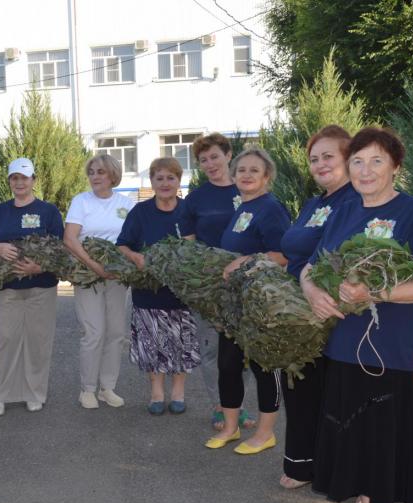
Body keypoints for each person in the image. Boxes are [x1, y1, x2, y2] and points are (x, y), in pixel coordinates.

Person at [301, 127, 413, 503]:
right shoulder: (345, 211)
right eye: (358, 161)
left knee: (383, 435)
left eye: (376, 161)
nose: (365, 170)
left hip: (390, 348)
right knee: (352, 429)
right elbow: (311, 267)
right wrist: (314, 292)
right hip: (344, 343)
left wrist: (375, 294)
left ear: (395, 167)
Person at [278, 126, 358, 490]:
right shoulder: (314, 204)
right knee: (299, 387)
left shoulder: (355, 201)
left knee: (333, 395)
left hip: (331, 311)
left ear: (348, 158)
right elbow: (294, 249)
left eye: (329, 156)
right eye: (314, 159)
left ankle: (337, 469)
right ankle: (301, 463)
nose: (320, 164)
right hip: (299, 311)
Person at [204, 148, 290, 455]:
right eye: (241, 170)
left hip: (260, 303)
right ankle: (230, 427)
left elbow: (283, 255)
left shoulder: (270, 209)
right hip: (235, 305)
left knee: (263, 367)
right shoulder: (243, 208)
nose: (247, 175)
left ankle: (265, 433)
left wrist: (243, 262)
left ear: (267, 175)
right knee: (228, 365)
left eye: (254, 170)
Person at [180, 132, 255, 430]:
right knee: (211, 348)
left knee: (245, 347)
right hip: (210, 286)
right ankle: (219, 406)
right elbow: (188, 245)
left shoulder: (249, 190)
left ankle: (238, 405)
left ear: (228, 155)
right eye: (203, 160)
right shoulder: (195, 199)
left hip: (247, 282)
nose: (210, 163)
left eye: (214, 156)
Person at [0, 157, 64, 416]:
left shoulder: (48, 212)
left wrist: (38, 267)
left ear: (33, 180)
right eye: (14, 178)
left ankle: (33, 393)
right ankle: (1, 395)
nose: (19, 183)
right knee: (7, 339)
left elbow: (59, 249)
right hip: (8, 288)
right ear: (9, 181)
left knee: (38, 341)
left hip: (42, 286)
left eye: (24, 178)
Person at [116, 157, 200, 415]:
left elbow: (198, 249)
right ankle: (156, 393)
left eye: (170, 178)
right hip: (148, 293)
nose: (165, 183)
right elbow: (122, 245)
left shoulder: (188, 211)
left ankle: (178, 392)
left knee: (180, 345)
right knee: (151, 345)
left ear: (179, 180)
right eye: (159, 178)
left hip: (180, 293)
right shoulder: (140, 212)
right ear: (152, 181)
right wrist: (135, 257)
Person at [63, 154, 136, 410]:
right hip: (87, 275)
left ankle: (108, 388)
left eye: (100, 172)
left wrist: (120, 266)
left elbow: (132, 239)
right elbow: (70, 239)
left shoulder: (127, 203)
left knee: (115, 332)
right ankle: (88, 389)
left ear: (112, 175)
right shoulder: (81, 201)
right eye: (92, 172)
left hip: (117, 278)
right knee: (93, 332)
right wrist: (95, 266)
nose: (95, 176)